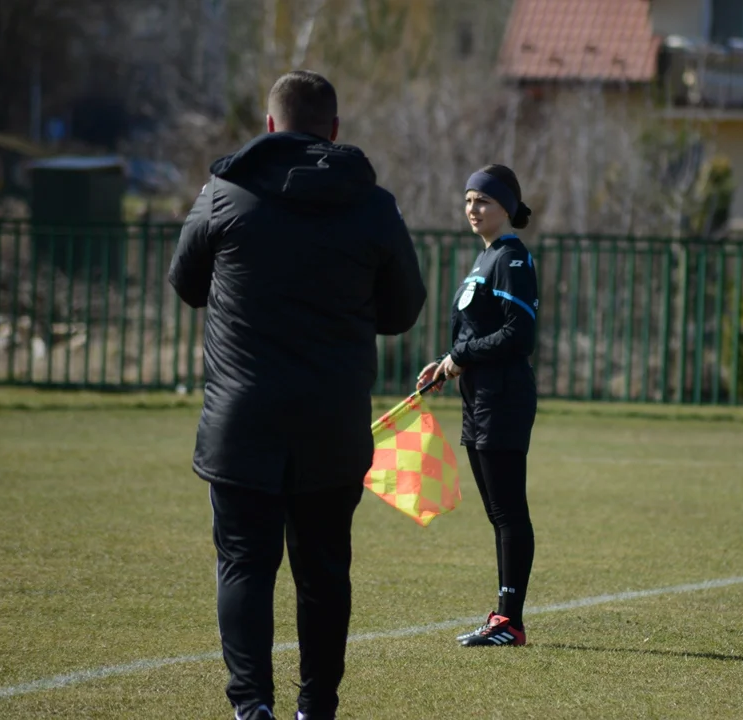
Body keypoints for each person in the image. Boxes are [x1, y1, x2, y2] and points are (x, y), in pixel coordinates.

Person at [169, 70, 426, 720]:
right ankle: (317, 708)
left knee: (244, 567)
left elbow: (186, 282)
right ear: (334, 130)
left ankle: (251, 707)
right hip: (330, 424)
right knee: (323, 573)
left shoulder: (225, 194)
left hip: (242, 418)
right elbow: (403, 310)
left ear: (269, 126)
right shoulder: (373, 206)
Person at [416, 164, 539, 648]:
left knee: (509, 512)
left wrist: (460, 358)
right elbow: (475, 336)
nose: (473, 209)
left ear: (505, 207)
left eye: (483, 201)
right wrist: (447, 363)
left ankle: (511, 621)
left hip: (502, 398)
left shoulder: (511, 257)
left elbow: (518, 334)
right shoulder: (484, 259)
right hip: (480, 400)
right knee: (498, 513)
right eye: (468, 200)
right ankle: (504, 618)